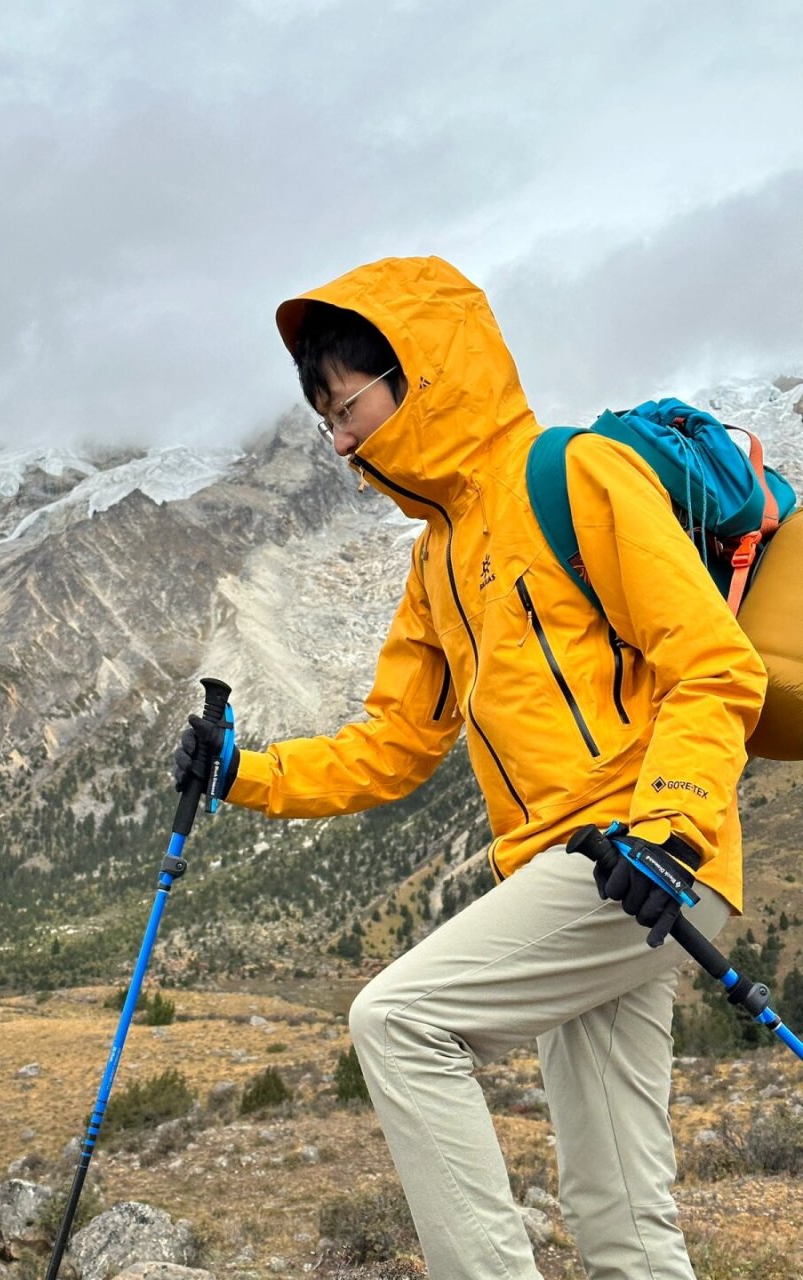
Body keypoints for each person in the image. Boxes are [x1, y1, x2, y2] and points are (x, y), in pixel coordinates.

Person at [174, 255, 767, 1279]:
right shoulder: (435, 557)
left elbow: (713, 661)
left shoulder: (573, 472)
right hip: (583, 877)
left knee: (397, 1020)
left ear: (422, 370)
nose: (338, 437)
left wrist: (668, 829)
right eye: (324, 416)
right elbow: (395, 744)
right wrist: (245, 774)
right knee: (620, 1209)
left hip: (649, 857)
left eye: (345, 402)